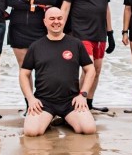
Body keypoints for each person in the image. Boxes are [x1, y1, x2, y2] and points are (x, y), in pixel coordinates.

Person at [20, 7, 97, 135]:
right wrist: (31, 99)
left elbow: (90, 69)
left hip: (70, 100)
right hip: (44, 101)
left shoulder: (75, 43)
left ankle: (66, 119)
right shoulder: (36, 46)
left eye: (59, 18)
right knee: (31, 132)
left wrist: (83, 95)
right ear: (45, 22)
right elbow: (24, 73)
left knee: (88, 129)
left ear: (64, 20)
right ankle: (49, 118)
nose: (56, 22)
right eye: (52, 19)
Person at [60, 0, 116, 113]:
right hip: (81, 33)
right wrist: (58, 33)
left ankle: (89, 103)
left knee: (97, 70)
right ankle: (79, 103)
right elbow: (65, 6)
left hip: (100, 34)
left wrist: (110, 33)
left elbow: (105, 7)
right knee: (88, 69)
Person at [5, 0, 57, 109]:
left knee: (42, 69)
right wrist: (35, 4)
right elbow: (10, 0)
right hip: (18, 27)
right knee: (24, 69)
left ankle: (43, 103)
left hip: (40, 28)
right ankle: (30, 105)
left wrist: (27, 0)